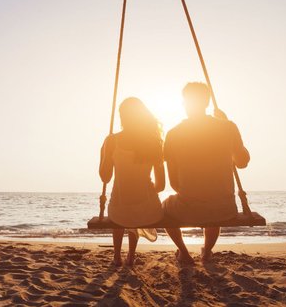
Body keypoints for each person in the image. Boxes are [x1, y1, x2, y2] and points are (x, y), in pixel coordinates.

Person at [163, 82, 250, 266]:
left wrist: (194, 191)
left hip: (190, 206)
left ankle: (184, 252)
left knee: (165, 209)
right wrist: (227, 123)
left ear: (185, 103)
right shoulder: (228, 127)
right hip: (224, 208)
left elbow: (174, 183)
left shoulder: (173, 134)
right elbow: (242, 162)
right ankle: (207, 251)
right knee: (214, 200)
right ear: (207, 101)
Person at [99, 97, 165, 266]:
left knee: (121, 205)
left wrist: (104, 154)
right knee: (135, 205)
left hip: (119, 210)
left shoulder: (112, 141)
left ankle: (116, 256)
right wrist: (145, 191)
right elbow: (161, 185)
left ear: (122, 116)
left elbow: (105, 177)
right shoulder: (153, 142)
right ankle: (131, 255)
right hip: (149, 210)